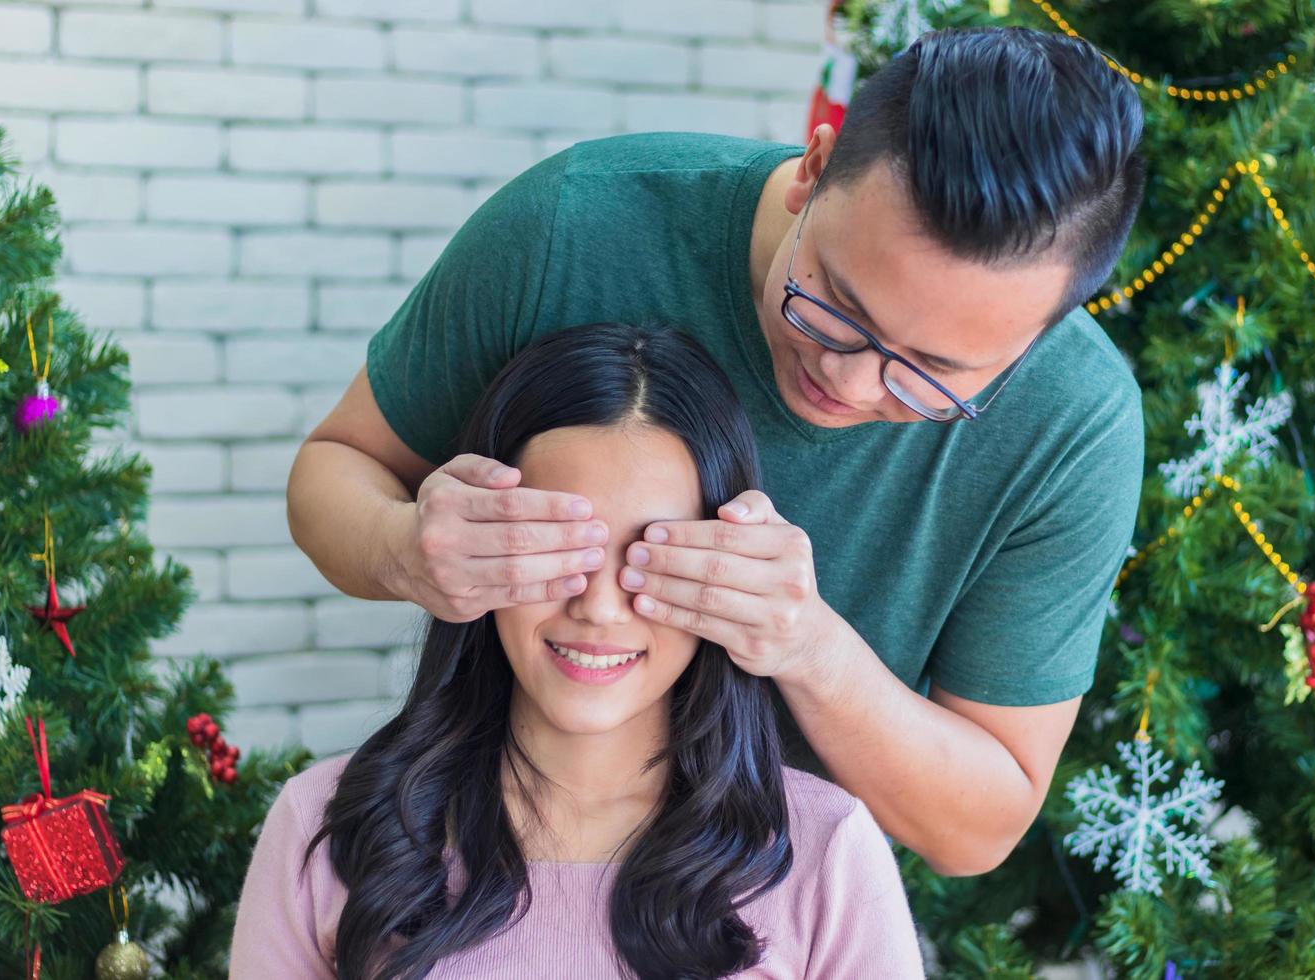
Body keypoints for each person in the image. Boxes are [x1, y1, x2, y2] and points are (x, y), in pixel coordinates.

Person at [286, 26, 1147, 877]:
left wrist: (811, 649)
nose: (849, 383)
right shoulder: (574, 225)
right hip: (484, 860)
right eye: (836, 305)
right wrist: (403, 549)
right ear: (812, 170)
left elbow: (980, 828)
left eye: (930, 375)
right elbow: (335, 467)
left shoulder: (1074, 421)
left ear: (1035, 337)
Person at [233, 323, 926, 979]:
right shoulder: (323, 829)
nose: (597, 606)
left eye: (651, 554)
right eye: (563, 548)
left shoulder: (824, 853)